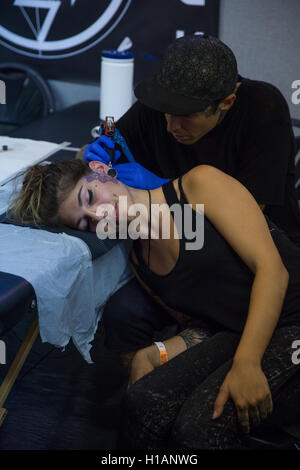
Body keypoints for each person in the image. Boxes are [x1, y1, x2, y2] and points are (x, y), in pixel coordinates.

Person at [9, 157, 300, 449]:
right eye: (86, 222)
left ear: (100, 170)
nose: (99, 215)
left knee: (197, 429)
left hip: (292, 319)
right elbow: (208, 324)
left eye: (90, 196)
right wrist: (155, 353)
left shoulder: (200, 185)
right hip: (243, 332)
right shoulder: (140, 260)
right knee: (142, 401)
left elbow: (272, 271)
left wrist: (247, 364)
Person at [79, 34, 300, 375]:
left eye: (186, 117)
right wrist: (97, 157)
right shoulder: (161, 107)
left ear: (225, 102)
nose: (171, 126)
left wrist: (157, 189)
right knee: (122, 314)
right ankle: (142, 390)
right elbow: (104, 144)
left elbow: (244, 218)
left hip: (243, 259)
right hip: (178, 257)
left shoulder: (261, 108)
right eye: (167, 113)